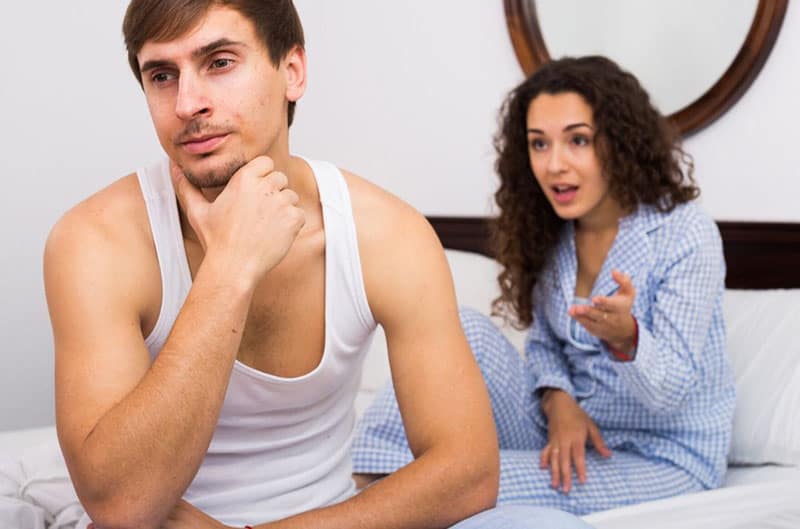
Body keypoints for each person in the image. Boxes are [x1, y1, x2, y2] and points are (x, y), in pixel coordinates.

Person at [44, 1, 596, 528]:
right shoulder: (95, 241)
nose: (188, 103)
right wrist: (231, 269)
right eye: (162, 75)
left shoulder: (386, 233)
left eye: (220, 62)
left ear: (293, 72)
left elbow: (469, 475)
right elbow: (120, 504)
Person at [352, 55, 736, 515]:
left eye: (578, 140)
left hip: (659, 456)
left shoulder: (685, 234)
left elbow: (672, 392)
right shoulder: (553, 232)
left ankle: (380, 499)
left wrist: (627, 338)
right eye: (539, 144)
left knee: (459, 484)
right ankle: (365, 477)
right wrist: (558, 402)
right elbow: (544, 346)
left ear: (620, 143)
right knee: (464, 329)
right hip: (565, 429)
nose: (554, 165)